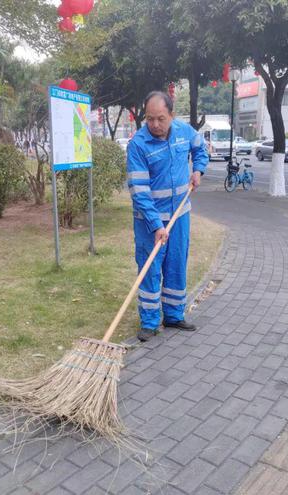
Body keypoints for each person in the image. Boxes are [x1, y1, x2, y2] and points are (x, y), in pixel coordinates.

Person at [126, 91, 208, 342]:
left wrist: (198, 169)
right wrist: (155, 225)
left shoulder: (185, 132)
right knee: (150, 268)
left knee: (176, 264)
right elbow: (139, 192)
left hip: (180, 214)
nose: (155, 125)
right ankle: (150, 321)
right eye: (149, 119)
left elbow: (200, 148)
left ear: (172, 115)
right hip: (149, 221)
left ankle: (173, 315)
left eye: (160, 118)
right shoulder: (138, 145)